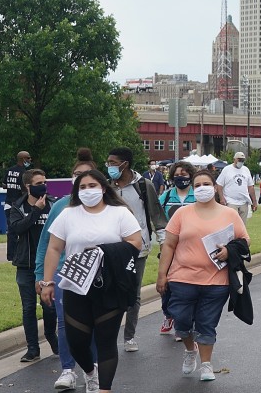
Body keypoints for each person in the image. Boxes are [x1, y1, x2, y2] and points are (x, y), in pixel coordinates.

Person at [40, 169, 143, 393]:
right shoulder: (68, 214)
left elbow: (136, 242)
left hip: (110, 286)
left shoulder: (120, 213)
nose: (88, 191)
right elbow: (54, 247)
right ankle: (89, 372)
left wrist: (103, 251)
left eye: (92, 186)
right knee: (76, 342)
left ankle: (104, 388)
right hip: (76, 286)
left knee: (106, 342)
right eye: (83, 187)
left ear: (104, 188)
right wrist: (47, 282)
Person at [156, 169, 250, 382]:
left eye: (206, 184)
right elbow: (169, 244)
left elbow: (245, 241)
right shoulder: (182, 214)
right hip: (182, 278)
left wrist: (229, 251)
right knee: (181, 320)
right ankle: (191, 350)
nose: (201, 188)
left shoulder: (229, 214)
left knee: (207, 323)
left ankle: (206, 365)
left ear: (215, 186)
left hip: (216, 281)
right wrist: (162, 275)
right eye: (197, 185)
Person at [35, 148, 97, 390]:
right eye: (76, 174)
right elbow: (46, 245)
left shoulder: (108, 207)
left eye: (86, 175)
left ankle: (92, 369)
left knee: (92, 324)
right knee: (64, 323)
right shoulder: (60, 207)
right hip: (64, 274)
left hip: (96, 275)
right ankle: (67, 369)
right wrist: (42, 277)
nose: (81, 179)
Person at [106, 147, 168, 353]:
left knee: (133, 292)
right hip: (111, 248)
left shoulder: (144, 185)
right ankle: (109, 334)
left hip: (137, 248)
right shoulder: (106, 187)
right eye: (108, 163)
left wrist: (163, 243)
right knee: (111, 291)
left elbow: (156, 215)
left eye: (113, 163)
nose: (110, 167)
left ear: (125, 164)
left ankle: (129, 336)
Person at [6, 168, 57, 362]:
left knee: (49, 307)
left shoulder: (53, 205)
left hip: (48, 266)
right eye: (38, 184)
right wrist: (35, 211)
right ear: (27, 187)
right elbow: (17, 228)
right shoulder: (17, 207)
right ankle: (33, 348)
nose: (43, 186)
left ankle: (52, 338)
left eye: (44, 182)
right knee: (28, 308)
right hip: (26, 264)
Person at [157, 161, 198, 338]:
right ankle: (168, 315)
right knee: (166, 284)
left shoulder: (197, 196)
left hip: (193, 248)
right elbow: (157, 218)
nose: (180, 177)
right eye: (177, 174)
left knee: (189, 286)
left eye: (184, 174)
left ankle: (186, 323)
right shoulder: (165, 197)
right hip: (170, 247)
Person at [3, 150, 32, 262]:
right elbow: (25, 190)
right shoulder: (25, 173)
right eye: (28, 158)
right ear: (23, 159)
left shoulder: (9, 170)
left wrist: (12, 187)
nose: (30, 160)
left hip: (8, 204)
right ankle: (17, 254)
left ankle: (10, 255)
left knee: (11, 231)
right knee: (21, 230)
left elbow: (4, 185)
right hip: (19, 205)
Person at [216, 152, 257, 224]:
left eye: (243, 160)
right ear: (234, 159)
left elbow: (250, 187)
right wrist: (222, 198)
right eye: (239, 160)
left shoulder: (246, 170)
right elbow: (219, 185)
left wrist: (254, 201)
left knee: (242, 225)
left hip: (243, 201)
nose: (241, 162)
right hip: (230, 201)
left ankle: (240, 235)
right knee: (232, 223)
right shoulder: (227, 169)